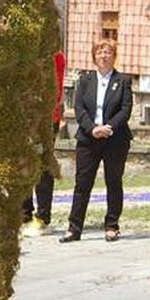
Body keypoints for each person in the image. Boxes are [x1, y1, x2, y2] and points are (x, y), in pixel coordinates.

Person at [59, 38, 133, 243]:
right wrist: (92, 129)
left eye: (108, 52)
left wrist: (109, 127)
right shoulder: (84, 80)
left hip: (115, 138)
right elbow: (79, 108)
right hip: (88, 138)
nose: (104, 55)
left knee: (113, 181)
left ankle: (111, 225)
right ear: (94, 56)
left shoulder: (124, 81)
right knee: (82, 183)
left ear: (114, 56)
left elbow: (126, 110)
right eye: (100, 52)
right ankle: (74, 228)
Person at [22, 49, 67, 235]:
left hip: (45, 118)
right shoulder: (23, 51)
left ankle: (42, 217)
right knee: (22, 164)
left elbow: (54, 89)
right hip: (23, 117)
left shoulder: (53, 55)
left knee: (43, 165)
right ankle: (24, 214)